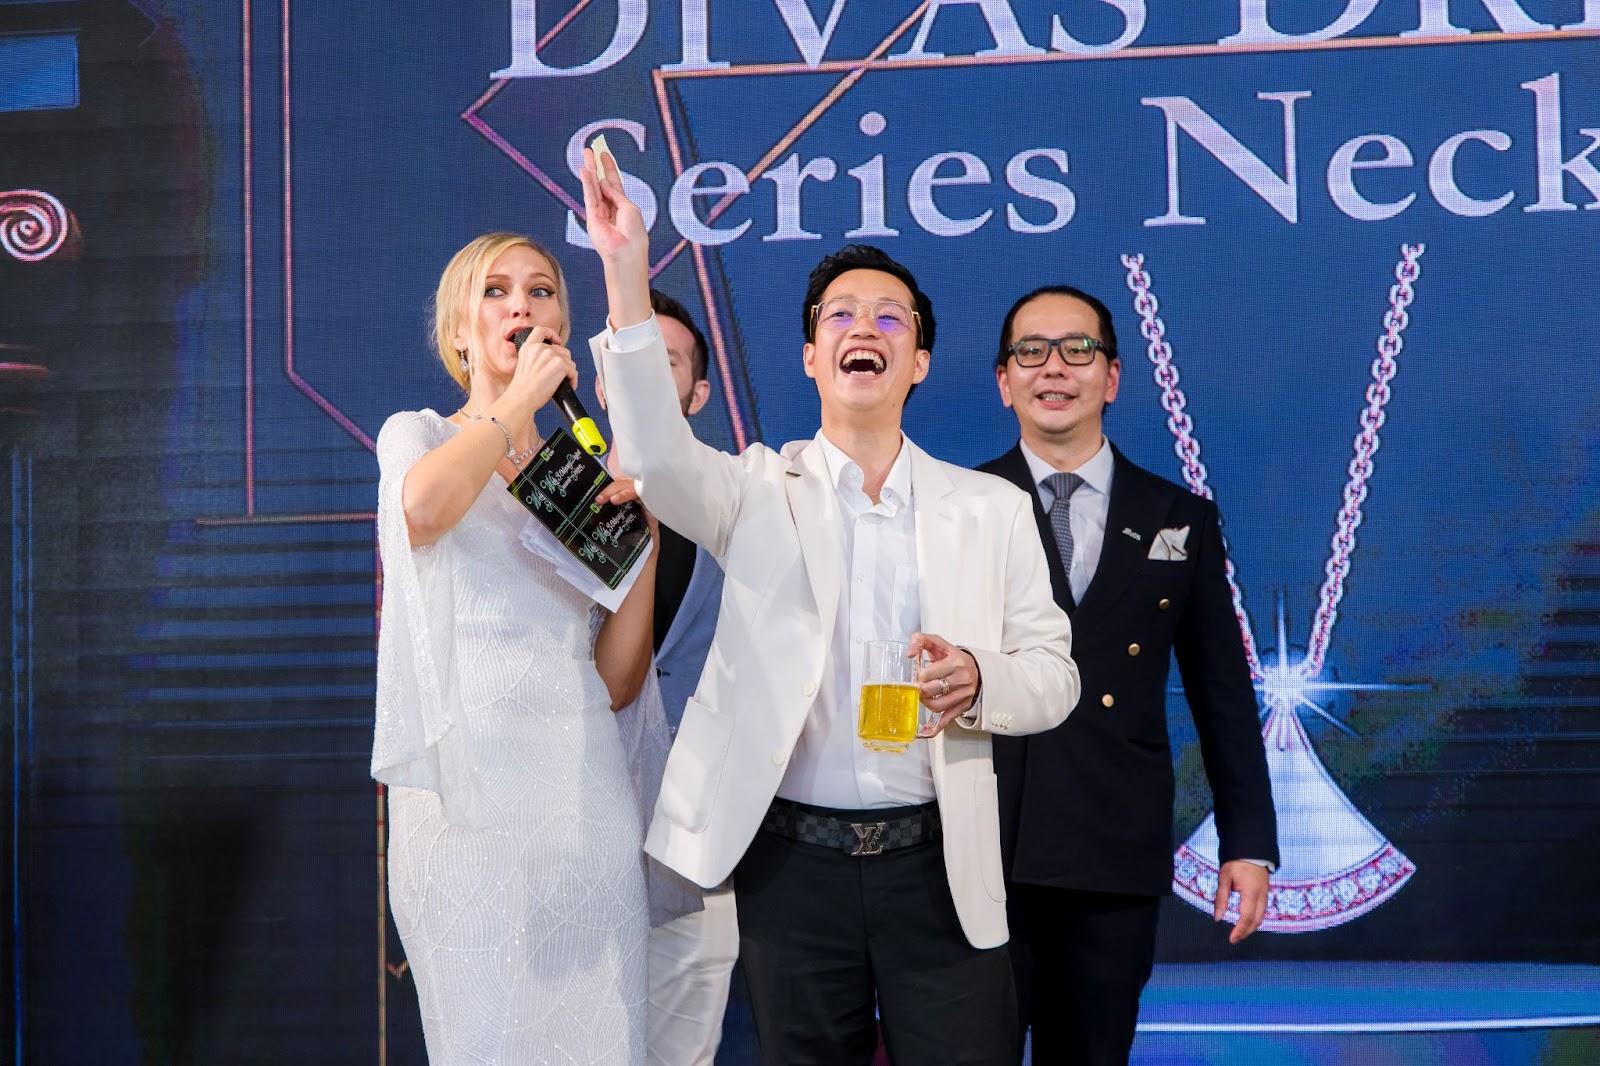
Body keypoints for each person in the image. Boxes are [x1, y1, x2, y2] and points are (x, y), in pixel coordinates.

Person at [578, 147, 1080, 1066]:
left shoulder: (992, 509)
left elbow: (1055, 677)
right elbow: (650, 450)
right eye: (840, 315)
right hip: (792, 871)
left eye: (890, 317)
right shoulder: (754, 491)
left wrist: (979, 681)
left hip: (941, 868)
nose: (865, 327)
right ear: (813, 356)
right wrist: (624, 269)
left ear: (918, 361)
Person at [372, 232, 659, 1064]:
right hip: (468, 801)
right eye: (496, 291)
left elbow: (617, 680)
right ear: (459, 332)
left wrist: (645, 548)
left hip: (585, 797)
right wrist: (515, 404)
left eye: (541, 291)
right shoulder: (418, 434)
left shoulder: (579, 474)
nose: (522, 307)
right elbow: (423, 514)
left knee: (605, 1038)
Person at [978, 286, 1279, 1066]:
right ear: (1004, 381)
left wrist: (1248, 842)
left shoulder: (1180, 516)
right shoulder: (957, 507)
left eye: (1078, 350)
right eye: (1030, 352)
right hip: (980, 847)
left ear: (1111, 376)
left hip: (1112, 852)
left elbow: (1221, 692)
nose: (1054, 368)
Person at [595, 289, 740, 1066]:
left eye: (669, 362)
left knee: (683, 1051)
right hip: (574, 822)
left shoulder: (744, 500)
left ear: (698, 392)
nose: (646, 377)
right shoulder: (543, 497)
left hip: (698, 837)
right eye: (630, 362)